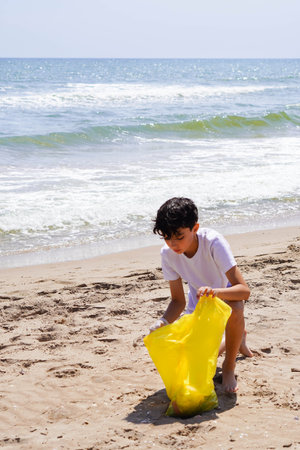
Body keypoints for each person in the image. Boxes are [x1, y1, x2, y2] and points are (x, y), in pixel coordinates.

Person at [150, 197, 253, 393]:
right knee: (191, 358)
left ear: (195, 228)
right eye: (167, 237)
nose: (173, 243)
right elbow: (178, 300)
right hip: (198, 307)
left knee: (237, 306)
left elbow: (244, 290)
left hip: (226, 298)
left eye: (179, 236)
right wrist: (162, 322)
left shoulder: (213, 242)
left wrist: (215, 292)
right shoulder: (168, 254)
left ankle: (229, 366)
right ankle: (237, 337)